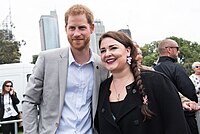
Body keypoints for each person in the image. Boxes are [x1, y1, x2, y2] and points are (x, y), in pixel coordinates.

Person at [22, 4, 109, 134]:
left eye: (82, 28)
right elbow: (29, 100)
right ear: (65, 29)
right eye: (72, 28)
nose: (76, 33)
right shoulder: (47, 59)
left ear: (91, 28)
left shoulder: (102, 66)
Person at [94, 31, 191, 134]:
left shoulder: (156, 81)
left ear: (128, 51)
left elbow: (177, 126)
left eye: (113, 48)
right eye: (103, 51)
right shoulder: (102, 88)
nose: (107, 54)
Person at [154, 39, 199, 134]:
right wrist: (192, 103)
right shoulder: (175, 68)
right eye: (177, 48)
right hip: (184, 115)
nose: (178, 52)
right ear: (169, 50)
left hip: (163, 116)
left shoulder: (153, 70)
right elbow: (189, 90)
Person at [190, 61, 200, 132]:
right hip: (198, 102)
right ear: (193, 68)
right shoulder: (191, 78)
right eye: (197, 67)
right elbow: (191, 91)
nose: (199, 68)